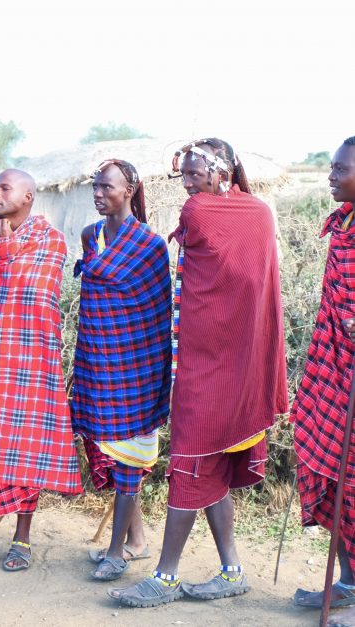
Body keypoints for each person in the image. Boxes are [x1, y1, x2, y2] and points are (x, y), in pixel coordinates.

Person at [109, 138, 287, 607]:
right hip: (236, 362)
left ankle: (165, 578)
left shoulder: (201, 214)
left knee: (190, 458)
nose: (187, 183)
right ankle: (232, 571)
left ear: (221, 170)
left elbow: (243, 285)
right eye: (182, 175)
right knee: (208, 464)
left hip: (208, 365)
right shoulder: (260, 212)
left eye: (194, 173)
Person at [0, 169, 82, 572]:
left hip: (29, 364)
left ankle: (22, 540)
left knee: (27, 451)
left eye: (4, 188)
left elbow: (38, 296)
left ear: (27, 197)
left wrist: (8, 255)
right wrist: (1, 254)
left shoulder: (50, 242)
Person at [71, 160, 172, 581]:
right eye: (94, 186)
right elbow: (97, 298)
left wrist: (149, 370)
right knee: (109, 453)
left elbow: (156, 315)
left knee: (130, 457)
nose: (97, 193)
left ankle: (115, 553)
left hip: (137, 368)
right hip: (97, 360)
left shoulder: (150, 246)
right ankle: (136, 542)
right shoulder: (90, 236)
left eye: (106, 186)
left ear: (129, 190)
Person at [291, 136, 355, 620]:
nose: (330, 176)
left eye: (340, 169)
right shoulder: (343, 226)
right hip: (334, 372)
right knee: (337, 481)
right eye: (330, 168)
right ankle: (349, 582)